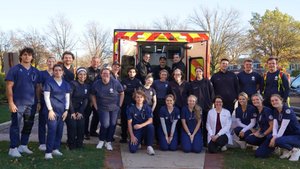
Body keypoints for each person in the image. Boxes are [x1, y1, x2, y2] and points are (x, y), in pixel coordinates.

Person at [6, 47, 41, 157]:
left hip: (32, 103)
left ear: (32, 57)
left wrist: (39, 101)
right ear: (21, 56)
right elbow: (9, 86)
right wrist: (11, 102)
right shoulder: (15, 69)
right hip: (18, 103)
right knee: (16, 125)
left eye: (29, 55)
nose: (27, 56)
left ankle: (23, 145)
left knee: (28, 125)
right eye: (25, 54)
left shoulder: (35, 71)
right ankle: (13, 148)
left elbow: (38, 87)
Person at [255, 94, 300, 160]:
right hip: (287, 134)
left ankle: (295, 150)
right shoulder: (275, 110)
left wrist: (274, 139)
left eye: (276, 100)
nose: (274, 102)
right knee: (270, 137)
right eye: (272, 101)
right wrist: (273, 136)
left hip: (296, 135)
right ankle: (286, 151)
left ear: (281, 100)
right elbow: (275, 126)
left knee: (278, 140)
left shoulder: (287, 111)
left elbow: (282, 127)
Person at [91, 68, 124, 151]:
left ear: (110, 75)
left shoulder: (115, 83)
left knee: (113, 124)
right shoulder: (96, 84)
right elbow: (92, 95)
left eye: (107, 73)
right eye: (104, 73)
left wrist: (119, 104)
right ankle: (101, 140)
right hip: (102, 107)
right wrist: (95, 106)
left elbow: (122, 93)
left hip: (114, 108)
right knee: (105, 124)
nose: (105, 75)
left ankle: (108, 142)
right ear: (101, 74)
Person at [43, 64, 71, 159]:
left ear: (63, 72)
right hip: (51, 111)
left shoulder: (66, 84)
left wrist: (66, 110)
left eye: (60, 70)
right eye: (56, 70)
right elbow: (46, 97)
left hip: (62, 111)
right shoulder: (49, 82)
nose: (58, 72)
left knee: (59, 130)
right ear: (53, 71)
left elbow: (67, 98)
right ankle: (48, 152)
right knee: (52, 130)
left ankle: (56, 149)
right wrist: (50, 110)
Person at [189, 66, 214, 146]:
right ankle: (198, 140)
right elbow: (191, 95)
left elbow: (212, 93)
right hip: (196, 108)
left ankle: (206, 141)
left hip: (207, 107)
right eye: (197, 71)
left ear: (202, 72)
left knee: (206, 125)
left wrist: (211, 104)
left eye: (200, 71)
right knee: (198, 125)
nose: (198, 73)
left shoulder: (207, 82)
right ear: (195, 73)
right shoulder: (192, 83)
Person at [66, 67, 90, 150]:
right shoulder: (72, 84)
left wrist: (80, 112)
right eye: (80, 74)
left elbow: (86, 99)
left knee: (81, 126)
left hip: (80, 110)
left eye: (84, 74)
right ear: (77, 75)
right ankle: (71, 145)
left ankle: (79, 144)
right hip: (71, 109)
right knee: (72, 126)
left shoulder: (87, 86)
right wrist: (72, 112)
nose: (82, 76)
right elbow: (68, 98)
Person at [127, 90, 155, 155]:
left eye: (141, 97)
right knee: (132, 150)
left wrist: (141, 125)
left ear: (144, 98)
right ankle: (138, 142)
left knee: (151, 126)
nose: (139, 99)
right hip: (137, 130)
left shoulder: (147, 107)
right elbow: (129, 123)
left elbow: (150, 120)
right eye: (137, 97)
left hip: (145, 129)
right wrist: (132, 136)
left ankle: (149, 146)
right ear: (135, 98)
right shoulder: (131, 109)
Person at [120, 67, 142, 143]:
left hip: (134, 104)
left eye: (133, 72)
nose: (132, 73)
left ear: (135, 73)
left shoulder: (138, 81)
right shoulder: (124, 80)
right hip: (125, 103)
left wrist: (129, 90)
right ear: (128, 73)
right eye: (130, 72)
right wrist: (133, 90)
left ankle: (133, 136)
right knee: (124, 120)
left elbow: (138, 91)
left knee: (134, 120)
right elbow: (123, 90)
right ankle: (123, 137)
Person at [38, 56, 56, 151]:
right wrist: (39, 101)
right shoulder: (42, 74)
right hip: (44, 101)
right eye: (49, 61)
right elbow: (39, 86)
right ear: (46, 62)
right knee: (42, 122)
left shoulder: (58, 73)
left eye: (53, 61)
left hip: (55, 102)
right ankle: (42, 142)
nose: (51, 63)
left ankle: (52, 142)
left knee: (53, 123)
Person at [84, 56, 101, 139]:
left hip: (97, 98)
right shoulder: (86, 71)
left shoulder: (101, 72)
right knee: (86, 115)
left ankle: (93, 131)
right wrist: (90, 98)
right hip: (88, 97)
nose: (96, 63)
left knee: (96, 115)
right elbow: (85, 84)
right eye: (94, 61)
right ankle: (85, 132)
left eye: (97, 62)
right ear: (91, 62)